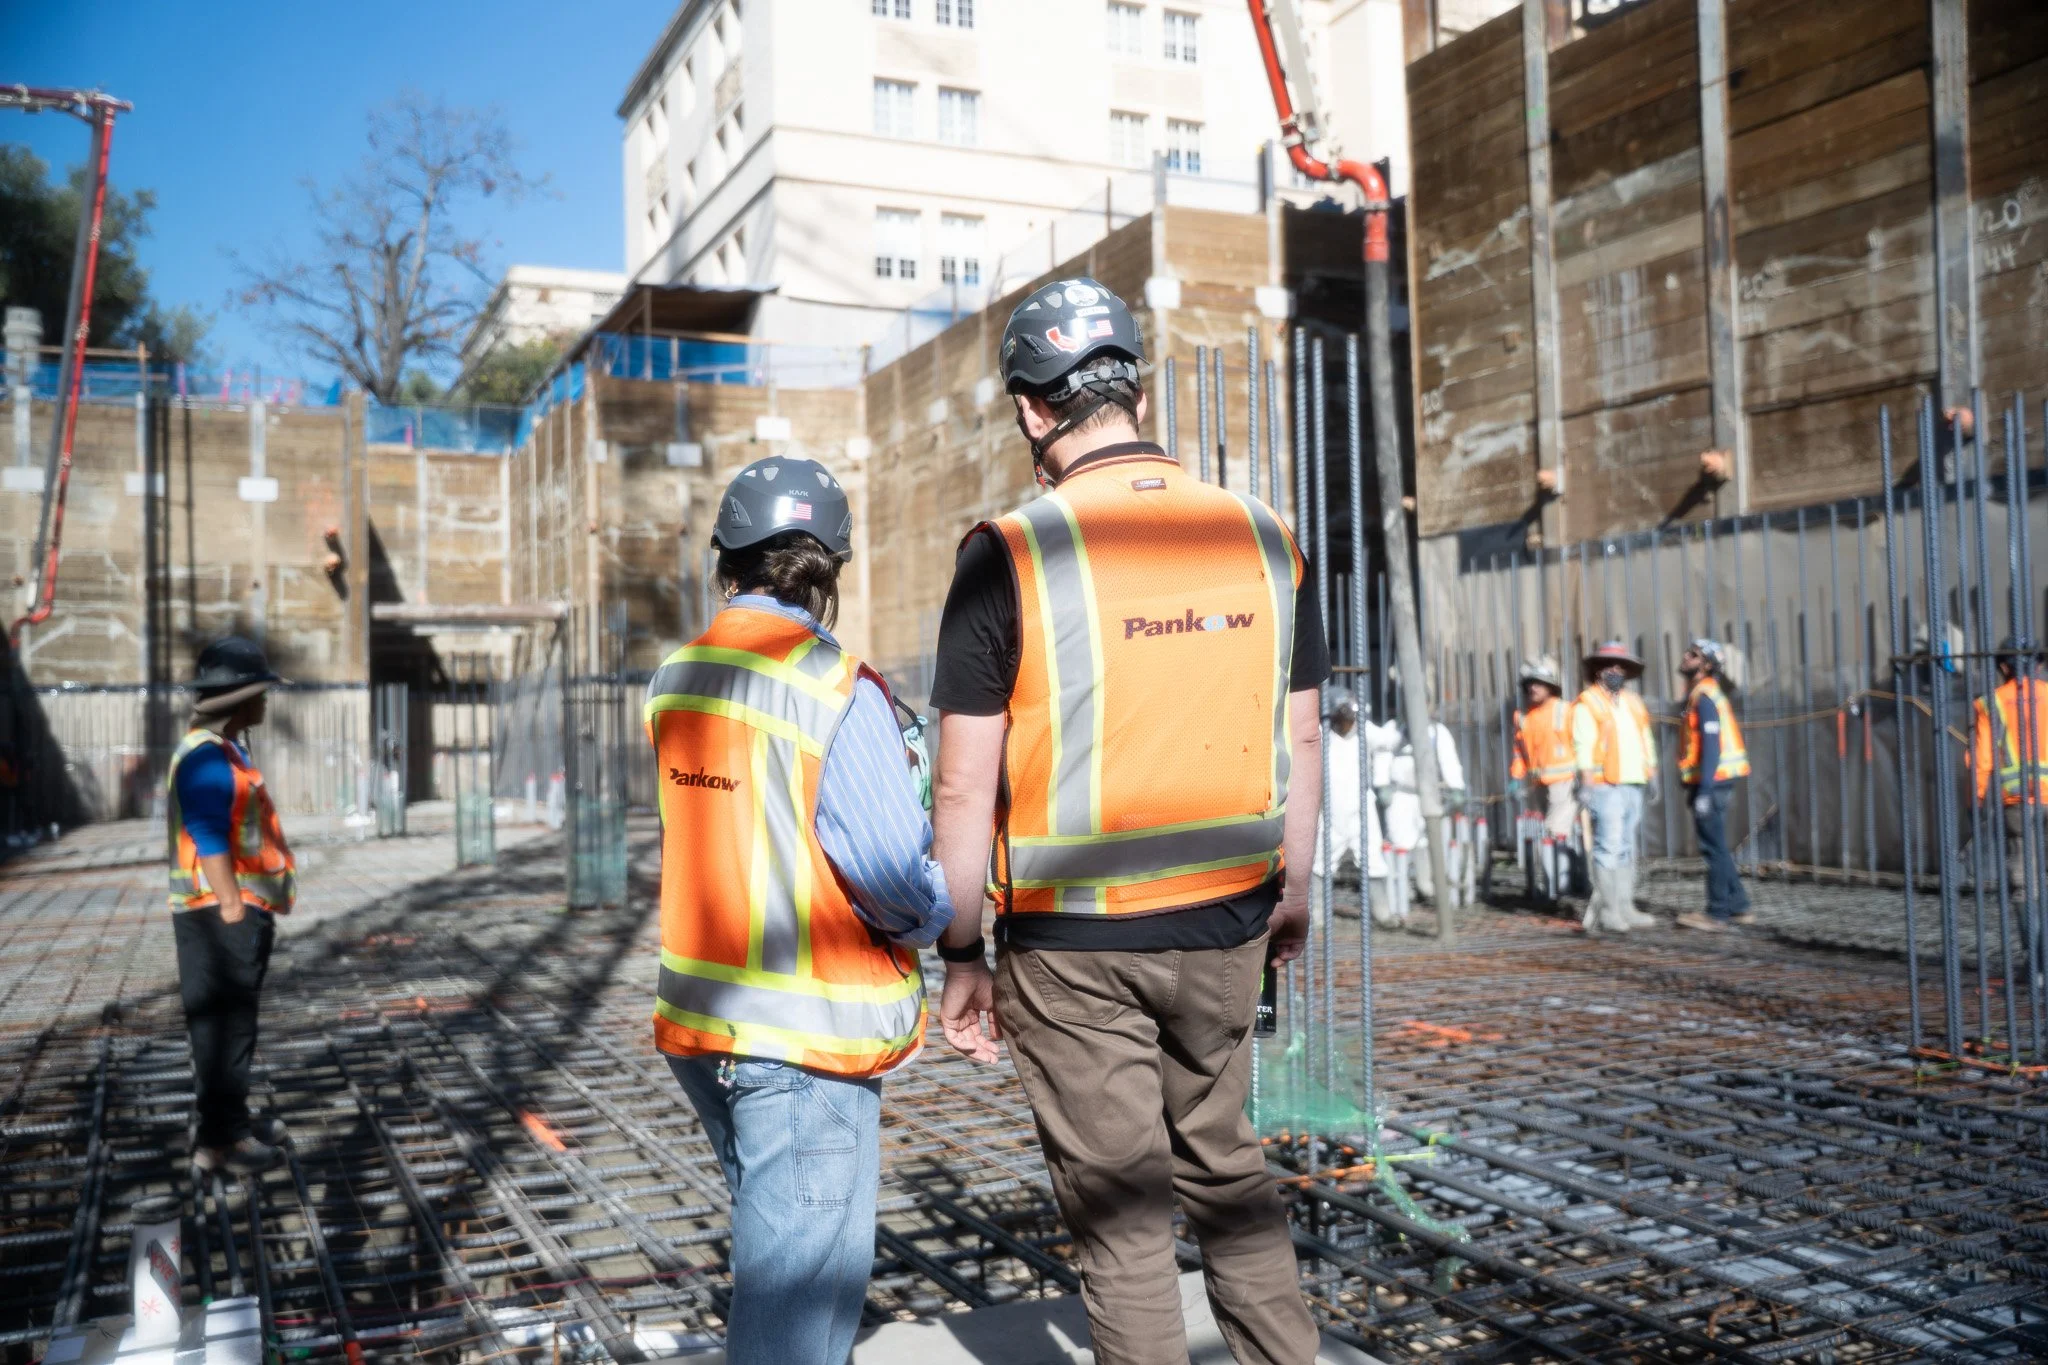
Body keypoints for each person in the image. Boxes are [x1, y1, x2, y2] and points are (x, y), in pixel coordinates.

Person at [929, 277, 1324, 1364]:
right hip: (1229, 922)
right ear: (1137, 393)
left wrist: (958, 952)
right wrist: (1291, 894)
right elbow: (1300, 738)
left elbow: (961, 787)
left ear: (1030, 410)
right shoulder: (1265, 536)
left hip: (1074, 949)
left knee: (1124, 1225)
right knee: (1228, 1172)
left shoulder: (1008, 552)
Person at [644, 457, 952, 1365]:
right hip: (803, 1043)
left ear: (725, 560)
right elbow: (892, 872)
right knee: (794, 1317)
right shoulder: (832, 685)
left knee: (780, 1265)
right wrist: (943, 915)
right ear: (829, 569)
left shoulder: (676, 676)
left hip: (706, 1026)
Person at [167, 635, 296, 1175]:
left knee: (228, 1027)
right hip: (220, 912)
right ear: (240, 699)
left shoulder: (221, 750)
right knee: (225, 1029)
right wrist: (231, 907)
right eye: (260, 692)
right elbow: (208, 832)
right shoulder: (206, 756)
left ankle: (226, 1126)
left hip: (223, 909)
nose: (265, 701)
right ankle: (224, 1143)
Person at [1570, 640, 1660, 934]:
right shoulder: (1588, 702)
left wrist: (1652, 771)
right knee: (1608, 846)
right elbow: (1583, 745)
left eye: (1620, 666)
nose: (1615, 670)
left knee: (1625, 846)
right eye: (1609, 665)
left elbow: (1645, 739)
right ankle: (1609, 911)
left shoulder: (1633, 702)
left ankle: (1625, 906)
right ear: (1597, 670)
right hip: (1605, 785)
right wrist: (1586, 783)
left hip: (1633, 781)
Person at [1972, 637, 2048, 942]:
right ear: (2039, 665)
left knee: (2025, 880)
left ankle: (2038, 958)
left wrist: (1977, 799)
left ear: (2003, 667)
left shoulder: (1990, 702)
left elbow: (1982, 760)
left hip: (2019, 803)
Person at [1675, 638, 1751, 931]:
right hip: (1715, 780)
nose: (1686, 656)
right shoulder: (1702, 693)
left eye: (1693, 655)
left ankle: (1717, 912)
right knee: (1717, 845)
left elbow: (1711, 745)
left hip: (1713, 782)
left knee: (1713, 848)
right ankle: (1739, 905)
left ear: (1706, 665)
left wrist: (1704, 790)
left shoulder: (1705, 696)